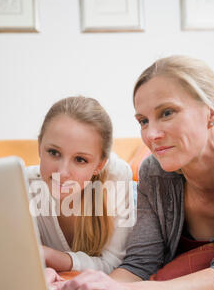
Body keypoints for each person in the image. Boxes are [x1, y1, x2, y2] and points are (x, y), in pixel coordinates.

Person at [49, 55, 214, 290]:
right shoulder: (154, 173)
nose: (151, 135)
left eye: (167, 113)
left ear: (211, 113)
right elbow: (139, 265)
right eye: (143, 121)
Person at [26, 96, 134, 274]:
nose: (62, 173)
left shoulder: (116, 177)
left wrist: (50, 256)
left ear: (99, 165)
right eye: (53, 152)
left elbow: (114, 264)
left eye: (80, 160)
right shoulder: (25, 184)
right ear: (39, 146)